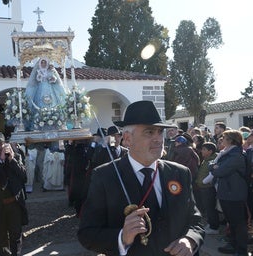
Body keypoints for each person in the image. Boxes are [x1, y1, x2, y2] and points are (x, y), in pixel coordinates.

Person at [78, 100, 204, 255]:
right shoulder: (104, 176)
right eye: (149, 132)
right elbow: (87, 234)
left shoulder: (180, 173)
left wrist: (190, 240)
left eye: (160, 132)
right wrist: (122, 237)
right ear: (128, 138)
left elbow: (195, 221)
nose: (158, 139)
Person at [0, 132, 28, 256]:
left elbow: (24, 177)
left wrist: (11, 160)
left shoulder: (16, 157)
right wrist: (0, 161)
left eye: (0, 144)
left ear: (5, 144)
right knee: (1, 236)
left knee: (16, 234)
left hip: (14, 203)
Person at [209, 130, 248, 255]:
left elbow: (219, 171)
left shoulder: (236, 155)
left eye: (224, 137)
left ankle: (241, 250)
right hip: (227, 193)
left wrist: (214, 167)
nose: (221, 139)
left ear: (231, 140)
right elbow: (213, 165)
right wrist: (214, 167)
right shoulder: (226, 154)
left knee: (238, 223)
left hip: (234, 194)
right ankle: (233, 245)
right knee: (231, 223)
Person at [194, 142, 220, 235]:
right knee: (208, 207)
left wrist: (203, 182)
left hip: (208, 188)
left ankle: (214, 227)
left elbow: (212, 175)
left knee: (210, 208)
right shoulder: (206, 159)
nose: (202, 151)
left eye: (204, 149)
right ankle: (211, 223)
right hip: (203, 188)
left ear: (210, 151)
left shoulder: (214, 160)